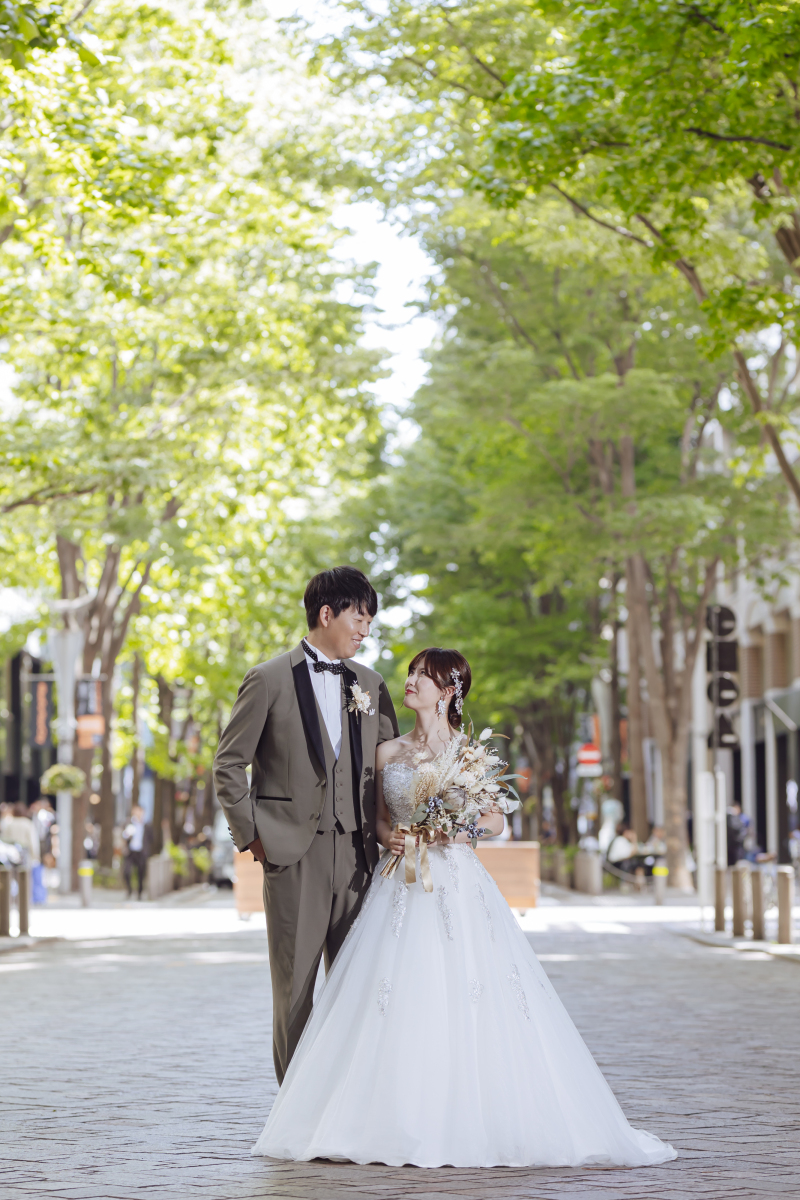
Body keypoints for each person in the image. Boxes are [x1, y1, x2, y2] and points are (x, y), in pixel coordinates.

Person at [253, 648, 676, 1168]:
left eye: (423, 676)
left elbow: (496, 820)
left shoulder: (469, 753)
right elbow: (379, 820)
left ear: (448, 691)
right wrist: (393, 837)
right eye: (411, 673)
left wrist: (454, 831)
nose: (410, 681)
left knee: (468, 989)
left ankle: (470, 1116)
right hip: (400, 880)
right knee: (391, 994)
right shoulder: (385, 752)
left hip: (454, 879)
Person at [213, 566, 399, 1084]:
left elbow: (392, 766)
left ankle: (349, 1102)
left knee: (359, 987)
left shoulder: (371, 684)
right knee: (295, 991)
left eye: (370, 622)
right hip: (293, 856)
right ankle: (296, 1109)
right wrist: (254, 836)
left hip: (362, 858)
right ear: (326, 613)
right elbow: (228, 765)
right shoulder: (268, 679)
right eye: (359, 619)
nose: (365, 631)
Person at [122, 804, 152, 899]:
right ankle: (129, 890)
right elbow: (124, 836)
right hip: (130, 852)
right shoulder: (129, 823)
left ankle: (139, 893)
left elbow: (151, 838)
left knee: (141, 873)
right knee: (126, 871)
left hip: (141, 852)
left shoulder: (147, 825)